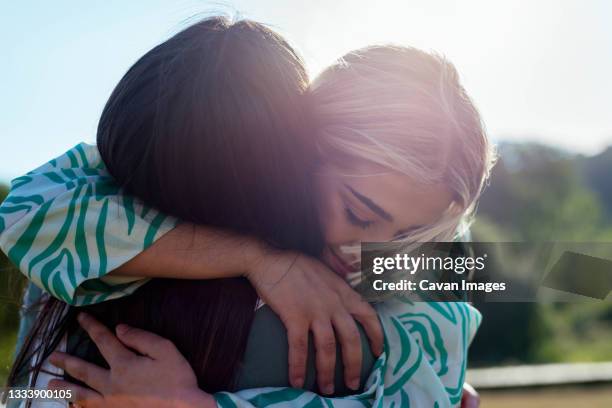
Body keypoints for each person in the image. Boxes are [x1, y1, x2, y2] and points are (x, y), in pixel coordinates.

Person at [0, 17, 494, 408]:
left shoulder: (428, 275)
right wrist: (259, 258)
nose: (369, 252)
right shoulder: (126, 202)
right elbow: (25, 211)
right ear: (305, 149)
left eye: (411, 234)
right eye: (359, 213)